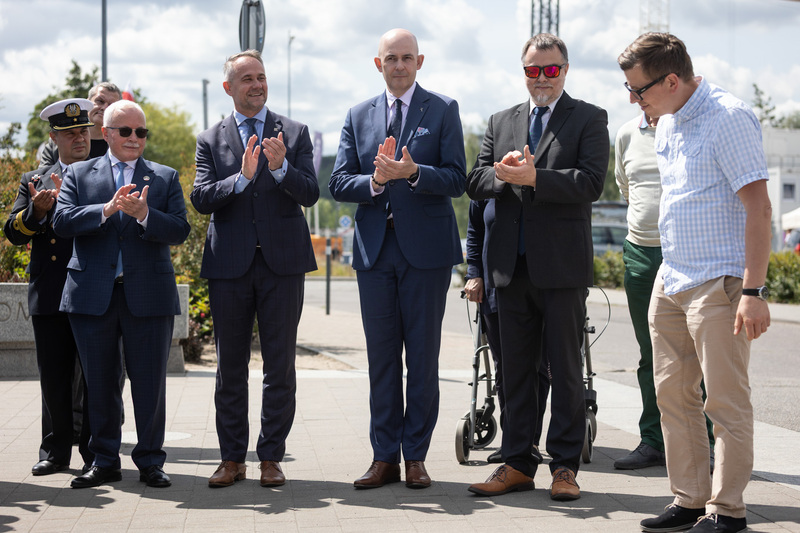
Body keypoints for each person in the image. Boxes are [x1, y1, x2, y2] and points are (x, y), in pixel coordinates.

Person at [618, 32, 772, 533]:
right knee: (672, 395)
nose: (635, 102)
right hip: (673, 277)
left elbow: (758, 207)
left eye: (638, 90)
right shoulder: (665, 123)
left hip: (720, 281)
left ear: (671, 80)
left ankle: (728, 512)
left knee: (724, 402)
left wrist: (753, 291)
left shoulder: (729, 117)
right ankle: (689, 499)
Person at [466, 33, 608, 501]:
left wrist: (536, 178)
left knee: (566, 371)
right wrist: (503, 172)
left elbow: (590, 182)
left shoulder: (589, 117)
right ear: (523, 71)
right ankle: (517, 461)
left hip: (561, 270)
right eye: (533, 70)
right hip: (508, 269)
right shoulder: (501, 120)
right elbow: (476, 180)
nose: (542, 78)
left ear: (565, 70)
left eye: (551, 70)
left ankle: (564, 467)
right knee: (514, 373)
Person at [329, 28, 466, 490]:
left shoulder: (443, 109)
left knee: (422, 360)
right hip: (374, 253)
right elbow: (338, 182)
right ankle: (383, 456)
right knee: (382, 360)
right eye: (392, 58)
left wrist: (412, 173)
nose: (400, 65)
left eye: (408, 57)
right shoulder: (357, 114)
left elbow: (456, 178)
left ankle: (416, 458)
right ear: (378, 63)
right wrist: (374, 182)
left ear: (420, 61)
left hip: (426, 255)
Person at [191, 49, 319, 489]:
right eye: (246, 78)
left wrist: (281, 167)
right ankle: (231, 459)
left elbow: (311, 194)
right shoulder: (210, 140)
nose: (257, 84)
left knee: (279, 366)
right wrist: (241, 179)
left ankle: (271, 458)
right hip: (229, 266)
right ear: (228, 87)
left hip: (283, 265)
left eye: (261, 77)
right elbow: (201, 198)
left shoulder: (295, 132)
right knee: (230, 367)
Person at [53, 99, 190, 489]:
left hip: (148, 294)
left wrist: (145, 216)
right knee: (100, 383)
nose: (135, 138)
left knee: (149, 383)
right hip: (92, 295)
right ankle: (104, 460)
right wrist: (107, 209)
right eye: (126, 131)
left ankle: (150, 461)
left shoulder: (163, 177)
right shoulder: (80, 174)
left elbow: (180, 230)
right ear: (107, 133)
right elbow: (62, 222)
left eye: (141, 132)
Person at [613, 112, 715, 470]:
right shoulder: (626, 134)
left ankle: (706, 442)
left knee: (699, 354)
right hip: (640, 252)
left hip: (687, 253)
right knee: (650, 354)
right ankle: (653, 441)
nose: (635, 96)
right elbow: (626, 187)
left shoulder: (694, 127)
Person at [3, 98, 95, 476]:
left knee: (95, 378)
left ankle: (97, 455)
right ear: (55, 137)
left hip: (93, 288)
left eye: (84, 131)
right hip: (52, 290)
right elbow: (11, 232)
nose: (79, 139)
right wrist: (36, 212)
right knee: (54, 376)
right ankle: (55, 451)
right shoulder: (34, 180)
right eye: (70, 133)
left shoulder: (105, 175)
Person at [463, 199, 550, 464]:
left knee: (538, 366)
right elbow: (475, 229)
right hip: (496, 284)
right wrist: (474, 273)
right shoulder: (487, 174)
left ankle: (529, 440)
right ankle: (513, 438)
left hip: (541, 282)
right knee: (505, 368)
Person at [40, 82, 122, 165]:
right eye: (100, 101)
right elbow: (45, 174)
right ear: (88, 102)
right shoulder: (56, 143)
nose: (105, 108)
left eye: (112, 105)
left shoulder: (121, 144)